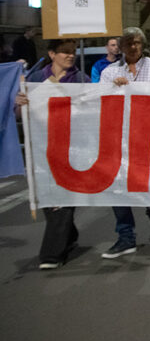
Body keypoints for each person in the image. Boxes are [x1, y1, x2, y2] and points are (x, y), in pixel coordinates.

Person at [15, 39, 89, 268]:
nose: (70, 56)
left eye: (73, 52)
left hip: (72, 150)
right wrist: (19, 103)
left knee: (63, 199)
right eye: (65, 52)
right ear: (52, 54)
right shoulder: (35, 80)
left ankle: (51, 255)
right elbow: (19, 113)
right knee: (50, 199)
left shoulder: (81, 80)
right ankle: (69, 236)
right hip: (42, 150)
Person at [99, 27, 150, 258]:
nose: (133, 47)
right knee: (118, 188)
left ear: (143, 44)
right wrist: (113, 90)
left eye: (137, 42)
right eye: (128, 42)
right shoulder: (109, 73)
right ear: (120, 46)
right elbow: (99, 103)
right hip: (121, 138)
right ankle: (126, 236)